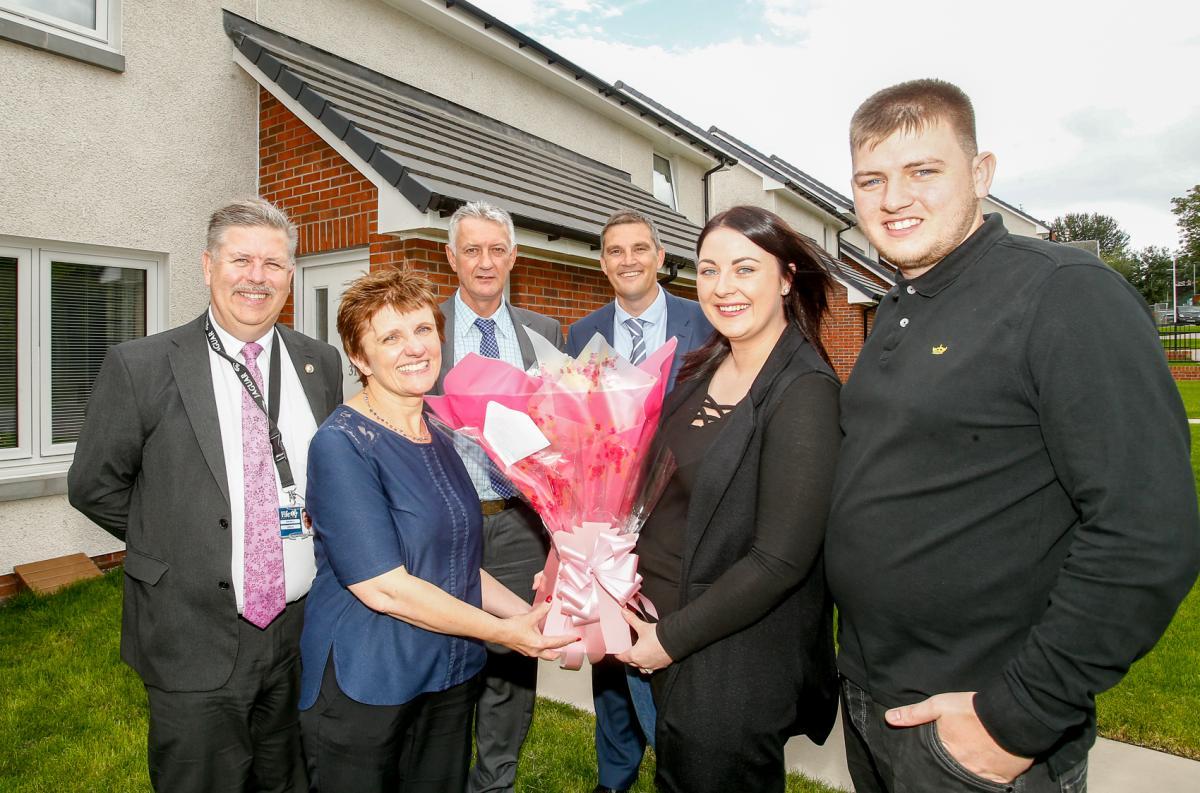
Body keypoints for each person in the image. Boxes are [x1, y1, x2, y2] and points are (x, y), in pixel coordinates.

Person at [825, 79, 1200, 793]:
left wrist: (1017, 719)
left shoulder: (1063, 294)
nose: (893, 198)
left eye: (922, 171)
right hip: (876, 703)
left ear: (982, 173)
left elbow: (1147, 534)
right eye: (871, 179)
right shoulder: (900, 308)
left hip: (977, 729)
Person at [67, 199, 343, 793]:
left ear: (290, 276)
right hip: (190, 632)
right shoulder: (140, 366)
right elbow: (93, 486)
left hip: (299, 630)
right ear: (207, 266)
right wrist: (177, 541)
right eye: (241, 259)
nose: (257, 276)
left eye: (274, 263)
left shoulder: (320, 365)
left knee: (289, 780)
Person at [297, 268, 572, 793]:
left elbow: (461, 562)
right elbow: (384, 586)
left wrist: (532, 618)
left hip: (448, 672)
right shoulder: (342, 443)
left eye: (423, 330)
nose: (414, 348)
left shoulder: (443, 433)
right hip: (371, 678)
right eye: (391, 337)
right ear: (359, 357)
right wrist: (502, 633)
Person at [618, 205, 841, 792]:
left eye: (745, 269)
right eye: (710, 270)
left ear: (787, 278)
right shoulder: (702, 370)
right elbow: (657, 492)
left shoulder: (804, 392)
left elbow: (781, 560)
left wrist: (669, 641)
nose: (723, 287)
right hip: (663, 630)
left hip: (728, 657)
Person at [565, 208, 712, 793]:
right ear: (602, 263)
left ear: (659, 257)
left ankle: (678, 766)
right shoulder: (581, 334)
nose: (627, 260)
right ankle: (615, 774)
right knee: (608, 650)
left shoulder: (705, 322)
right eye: (614, 251)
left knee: (668, 640)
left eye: (639, 249)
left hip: (685, 513)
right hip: (608, 518)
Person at [430, 200, 565, 793]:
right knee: (442, 645)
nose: (484, 263)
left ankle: (496, 780)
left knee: (515, 654)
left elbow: (563, 425)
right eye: (471, 249)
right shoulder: (423, 327)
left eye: (496, 250)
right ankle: (438, 771)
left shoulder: (546, 334)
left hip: (518, 523)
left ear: (514, 256)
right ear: (451, 257)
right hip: (442, 518)